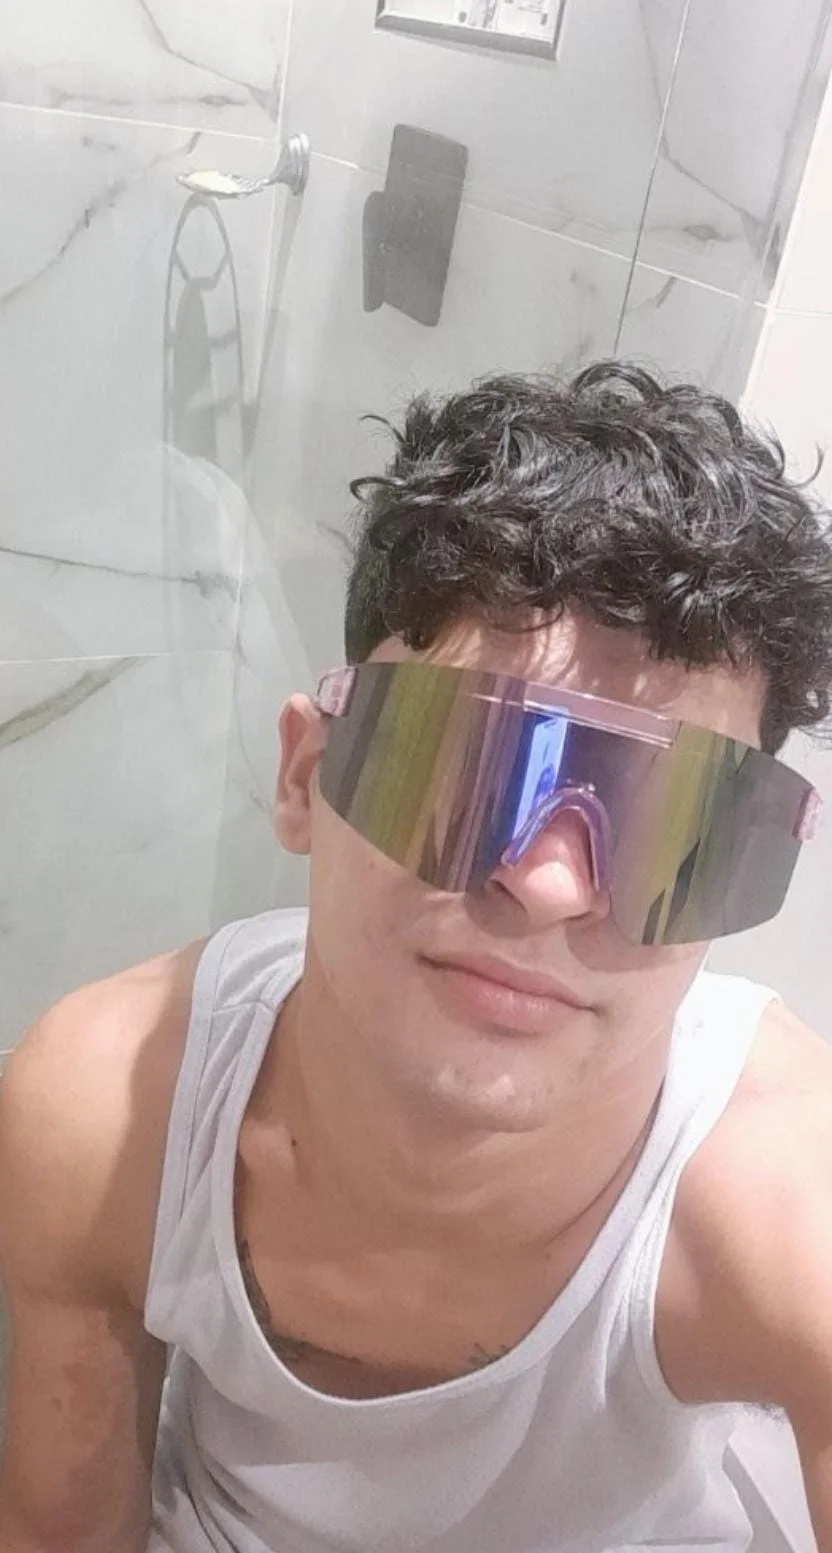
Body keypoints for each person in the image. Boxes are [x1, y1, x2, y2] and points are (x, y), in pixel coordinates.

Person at [1, 362, 832, 1553]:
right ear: (306, 776)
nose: (547, 882)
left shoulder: (785, 1197)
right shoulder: (106, 1106)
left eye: (666, 824)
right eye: (467, 763)